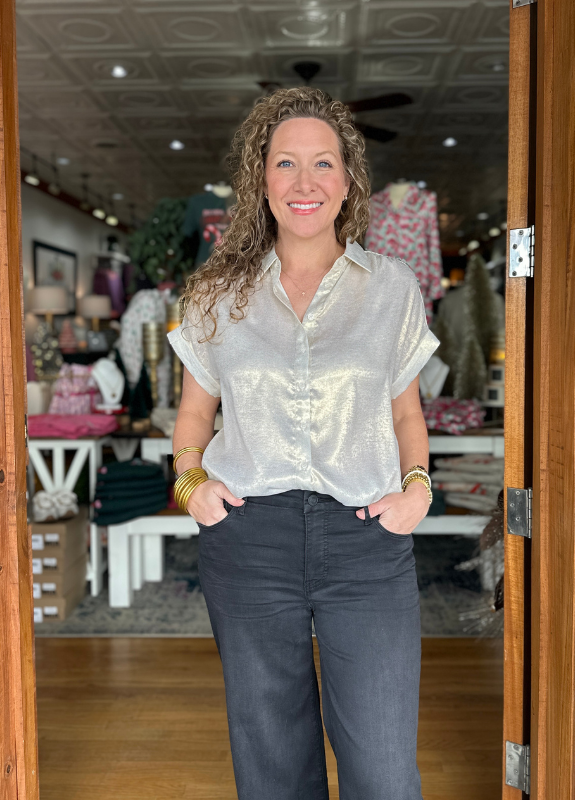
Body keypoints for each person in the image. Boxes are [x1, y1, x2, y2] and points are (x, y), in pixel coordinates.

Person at [167, 87, 440, 800]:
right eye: (285, 163)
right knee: (273, 764)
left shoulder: (392, 288)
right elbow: (194, 420)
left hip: (366, 539)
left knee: (382, 766)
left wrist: (419, 489)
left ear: (349, 179)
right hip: (250, 537)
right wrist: (192, 486)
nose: (304, 181)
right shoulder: (214, 293)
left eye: (323, 163)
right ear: (262, 179)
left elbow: (408, 416)